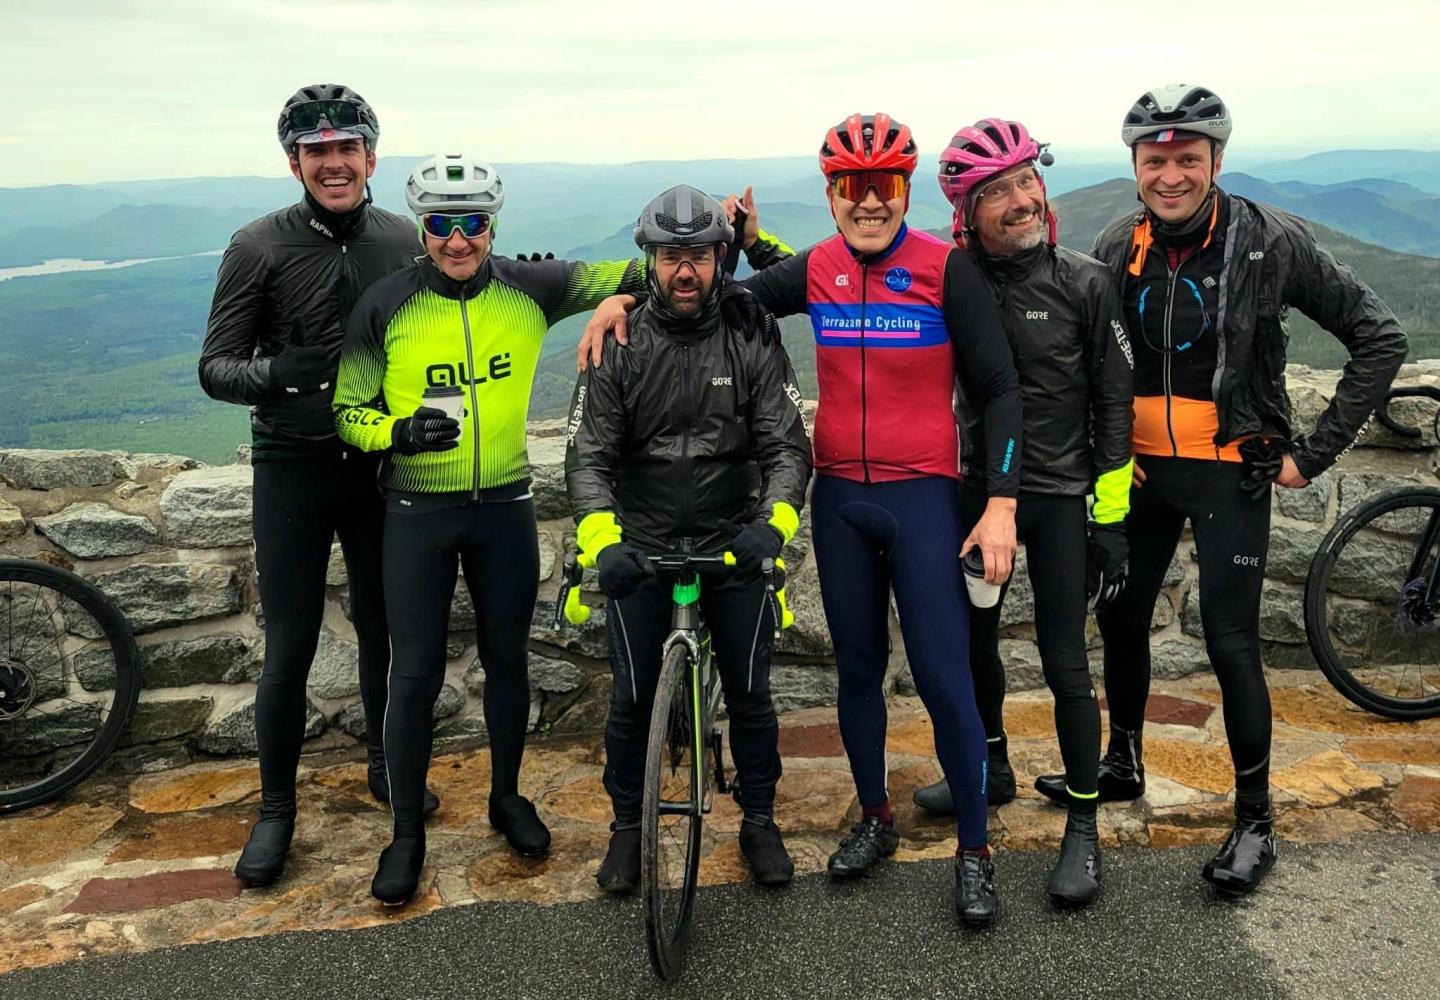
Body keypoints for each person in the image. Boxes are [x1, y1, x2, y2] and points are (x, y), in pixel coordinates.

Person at [577, 114, 1023, 926]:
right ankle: (875, 819)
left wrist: (999, 502)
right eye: (853, 187)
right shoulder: (817, 269)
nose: (869, 202)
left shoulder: (944, 268)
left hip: (923, 496)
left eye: (885, 185)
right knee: (857, 672)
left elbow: (1000, 390)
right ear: (832, 194)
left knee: (942, 679)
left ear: (905, 190)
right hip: (843, 501)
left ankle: (975, 850)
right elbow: (711, 294)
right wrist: (621, 301)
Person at [1054, 83, 1407, 895]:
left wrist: (1310, 455)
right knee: (1120, 620)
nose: (1170, 174)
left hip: (1226, 472)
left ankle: (1255, 822)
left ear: (1216, 158)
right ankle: (1123, 763)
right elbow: (1085, 359)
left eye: (1187, 158)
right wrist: (1105, 448)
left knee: (1230, 643)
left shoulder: (1270, 240)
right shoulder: (1120, 241)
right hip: (1137, 474)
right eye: (1155, 160)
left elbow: (1377, 336)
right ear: (1136, 165)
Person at [332, 152, 647, 906]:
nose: (458, 240)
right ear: (422, 227)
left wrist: (616, 305)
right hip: (416, 512)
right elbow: (347, 410)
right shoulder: (385, 303)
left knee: (509, 663)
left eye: (472, 223)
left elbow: (651, 270)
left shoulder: (531, 288)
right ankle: (406, 834)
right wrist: (398, 433)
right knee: (414, 676)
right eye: (441, 224)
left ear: (492, 223)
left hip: (504, 506)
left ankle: (506, 798)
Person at [889, 119, 1133, 908]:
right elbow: (847, 282)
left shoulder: (1087, 282)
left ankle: (1085, 829)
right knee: (972, 648)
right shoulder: (952, 273)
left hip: (1060, 499)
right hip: (973, 494)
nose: (1021, 200)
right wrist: (755, 254)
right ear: (967, 209)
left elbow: (1115, 406)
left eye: (1027, 180)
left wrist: (1111, 517)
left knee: (1066, 662)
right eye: (996, 191)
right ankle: (990, 770)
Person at [199, 84, 437, 889]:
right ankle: (275, 811)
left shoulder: (405, 238)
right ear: (293, 161)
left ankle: (383, 765)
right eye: (316, 153)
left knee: (383, 628)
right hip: (292, 468)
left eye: (347, 149)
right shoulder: (257, 246)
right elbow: (215, 368)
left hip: (378, 470)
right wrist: (277, 373)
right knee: (290, 645)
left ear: (372, 155)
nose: (333, 165)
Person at [566, 185, 812, 891]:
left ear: (719, 258)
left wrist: (775, 526)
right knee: (630, 701)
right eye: (671, 255)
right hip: (642, 546)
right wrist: (601, 540)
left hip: (733, 543)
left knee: (751, 696)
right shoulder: (619, 339)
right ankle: (625, 830)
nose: (684, 271)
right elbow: (588, 454)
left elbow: (787, 447)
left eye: (699, 257)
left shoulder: (750, 328)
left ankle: (759, 821)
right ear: (649, 258)